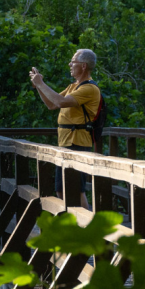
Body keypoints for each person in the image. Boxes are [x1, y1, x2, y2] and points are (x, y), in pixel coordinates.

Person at [29, 49, 101, 208]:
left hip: (78, 143)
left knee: (77, 189)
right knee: (61, 190)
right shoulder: (73, 86)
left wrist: (41, 83)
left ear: (83, 66)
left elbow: (61, 102)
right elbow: (52, 104)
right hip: (66, 142)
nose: (70, 64)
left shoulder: (89, 89)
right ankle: (72, 226)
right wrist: (39, 86)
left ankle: (86, 228)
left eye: (73, 62)